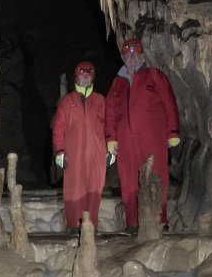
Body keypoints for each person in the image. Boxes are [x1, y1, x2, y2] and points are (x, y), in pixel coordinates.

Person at [104, 38, 180, 231]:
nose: (131, 58)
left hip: (152, 137)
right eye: (127, 55)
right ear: (122, 57)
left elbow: (169, 103)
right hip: (126, 140)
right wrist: (110, 138)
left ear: (142, 55)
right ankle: (132, 222)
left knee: (156, 175)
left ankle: (159, 219)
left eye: (135, 54)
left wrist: (172, 132)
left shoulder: (154, 76)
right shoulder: (117, 83)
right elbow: (110, 112)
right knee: (129, 179)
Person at [52, 60, 110, 231]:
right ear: (76, 78)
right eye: (82, 76)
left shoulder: (101, 101)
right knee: (74, 189)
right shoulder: (67, 102)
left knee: (94, 189)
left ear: (92, 79)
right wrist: (60, 150)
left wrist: (111, 149)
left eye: (88, 76)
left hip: (97, 154)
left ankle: (90, 227)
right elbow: (58, 128)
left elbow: (109, 126)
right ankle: (74, 225)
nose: (85, 79)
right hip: (74, 154)